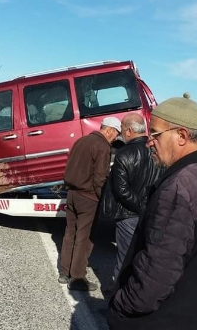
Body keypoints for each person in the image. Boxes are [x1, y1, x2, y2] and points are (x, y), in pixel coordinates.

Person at [108, 93, 197, 330]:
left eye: (154, 134)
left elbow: (152, 283)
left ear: (182, 136)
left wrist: (119, 306)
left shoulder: (179, 188)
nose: (149, 142)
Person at [59, 116, 121, 291]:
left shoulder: (81, 140)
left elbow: (70, 166)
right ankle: (77, 278)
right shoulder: (102, 146)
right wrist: (104, 201)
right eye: (116, 134)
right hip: (88, 198)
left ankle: (64, 272)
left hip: (71, 194)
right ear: (108, 130)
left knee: (70, 233)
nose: (116, 138)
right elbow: (100, 178)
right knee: (84, 238)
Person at [101, 113, 163, 281]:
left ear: (128, 131)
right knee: (143, 256)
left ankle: (118, 296)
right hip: (152, 212)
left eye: (121, 130)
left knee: (124, 258)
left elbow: (121, 190)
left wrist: (140, 207)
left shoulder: (124, 153)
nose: (121, 133)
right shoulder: (157, 150)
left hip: (128, 214)